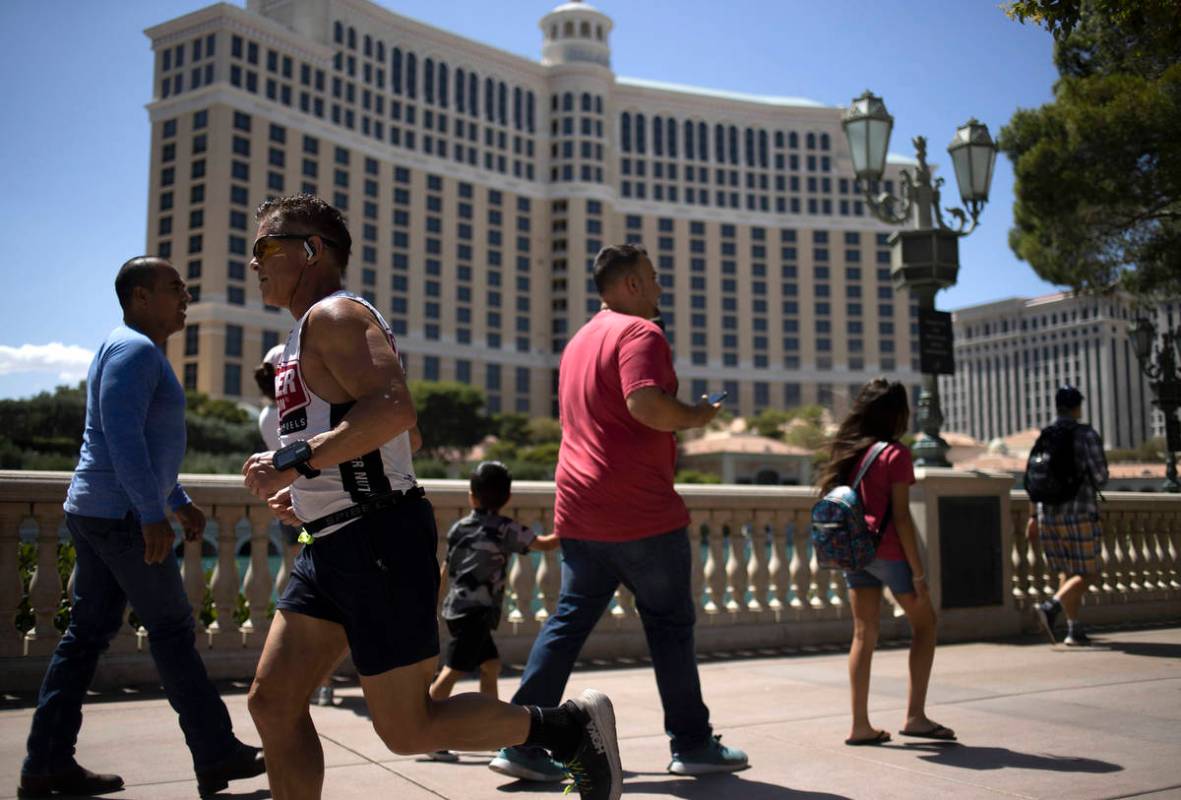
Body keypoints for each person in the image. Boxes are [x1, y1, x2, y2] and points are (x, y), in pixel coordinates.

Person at [240, 194, 621, 800]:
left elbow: (395, 410)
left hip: (375, 541)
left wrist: (295, 460)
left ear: (311, 250)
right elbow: (400, 437)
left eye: (265, 246)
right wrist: (311, 487)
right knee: (274, 703)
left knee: (408, 729)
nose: (253, 260)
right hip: (331, 541)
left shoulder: (337, 316)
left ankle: (567, 726)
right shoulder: (301, 335)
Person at [492, 243, 748, 782]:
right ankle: (693, 744)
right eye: (653, 279)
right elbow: (644, 403)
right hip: (641, 513)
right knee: (670, 625)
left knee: (567, 622)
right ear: (631, 285)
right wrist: (698, 415)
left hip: (579, 508)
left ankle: (522, 741)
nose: (659, 289)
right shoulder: (641, 333)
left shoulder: (580, 341)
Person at [19, 257, 265, 799]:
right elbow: (123, 436)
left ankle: (45, 764)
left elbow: (136, 444)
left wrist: (175, 499)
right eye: (174, 288)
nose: (185, 296)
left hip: (100, 509)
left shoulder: (126, 347)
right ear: (138, 297)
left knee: (85, 637)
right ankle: (216, 751)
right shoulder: (135, 350)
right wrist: (151, 513)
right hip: (120, 517)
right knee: (173, 630)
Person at [815, 378, 954, 746]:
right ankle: (915, 716)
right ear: (897, 415)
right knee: (926, 624)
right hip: (889, 552)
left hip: (854, 551)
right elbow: (902, 518)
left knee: (864, 633)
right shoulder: (896, 454)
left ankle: (860, 725)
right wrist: (919, 573)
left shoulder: (849, 452)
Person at [428, 461, 560, 762]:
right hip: (475, 612)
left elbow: (445, 569)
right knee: (453, 670)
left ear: (472, 496)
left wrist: (433, 605)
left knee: (491, 665)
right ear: (508, 497)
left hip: (458, 610)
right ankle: (427, 733)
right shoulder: (506, 528)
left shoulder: (459, 527)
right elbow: (546, 544)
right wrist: (572, 525)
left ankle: (493, 732)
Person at [1026, 386, 1109, 646]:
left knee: (1067, 570)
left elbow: (1034, 479)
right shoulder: (1085, 434)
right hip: (1079, 512)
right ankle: (1051, 607)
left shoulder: (1046, 435)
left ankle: (1074, 630)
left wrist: (1032, 517)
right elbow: (1101, 476)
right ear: (1077, 407)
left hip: (1047, 513)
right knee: (1090, 571)